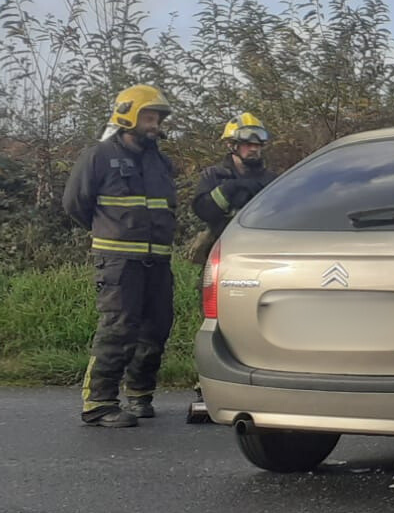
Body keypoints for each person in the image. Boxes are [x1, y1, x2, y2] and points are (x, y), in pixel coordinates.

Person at [62, 85, 179, 428]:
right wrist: (109, 233)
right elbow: (74, 204)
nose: (154, 124)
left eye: (157, 118)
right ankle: (98, 403)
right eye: (148, 117)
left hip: (158, 260)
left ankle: (140, 396)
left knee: (157, 328)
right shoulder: (98, 156)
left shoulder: (161, 161)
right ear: (127, 115)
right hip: (118, 262)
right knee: (118, 328)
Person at [185, 113, 277, 422]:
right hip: (223, 255)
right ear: (232, 145)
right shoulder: (214, 175)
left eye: (258, 144)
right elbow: (203, 210)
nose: (254, 149)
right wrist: (230, 191)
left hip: (259, 257)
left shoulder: (271, 178)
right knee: (215, 320)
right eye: (247, 144)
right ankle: (207, 385)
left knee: (259, 319)